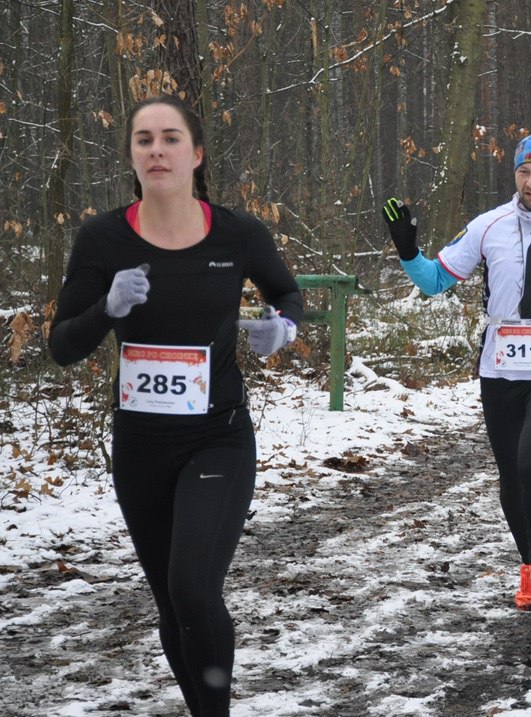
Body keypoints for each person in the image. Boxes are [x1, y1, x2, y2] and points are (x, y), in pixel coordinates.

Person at [48, 94, 303, 717]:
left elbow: (287, 292)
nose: (156, 150)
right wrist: (105, 309)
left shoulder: (238, 233)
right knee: (172, 602)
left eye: (170, 139)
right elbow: (62, 346)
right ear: (131, 156)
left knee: (193, 587)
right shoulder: (103, 238)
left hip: (218, 436)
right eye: (144, 140)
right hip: (140, 446)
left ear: (196, 155)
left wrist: (284, 328)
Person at [381, 132, 531, 612]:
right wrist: (408, 250)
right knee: (511, 472)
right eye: (523, 172)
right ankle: (529, 568)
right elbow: (434, 282)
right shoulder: (488, 226)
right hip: (499, 364)